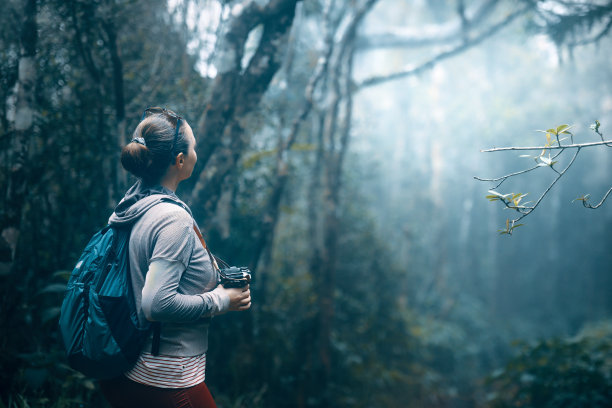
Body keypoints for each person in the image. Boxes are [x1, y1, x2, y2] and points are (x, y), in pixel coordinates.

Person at [99, 107, 251, 408]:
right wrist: (223, 300)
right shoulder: (173, 220)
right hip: (167, 378)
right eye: (193, 147)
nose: (196, 152)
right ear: (180, 160)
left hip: (126, 368)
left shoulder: (130, 206)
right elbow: (157, 303)